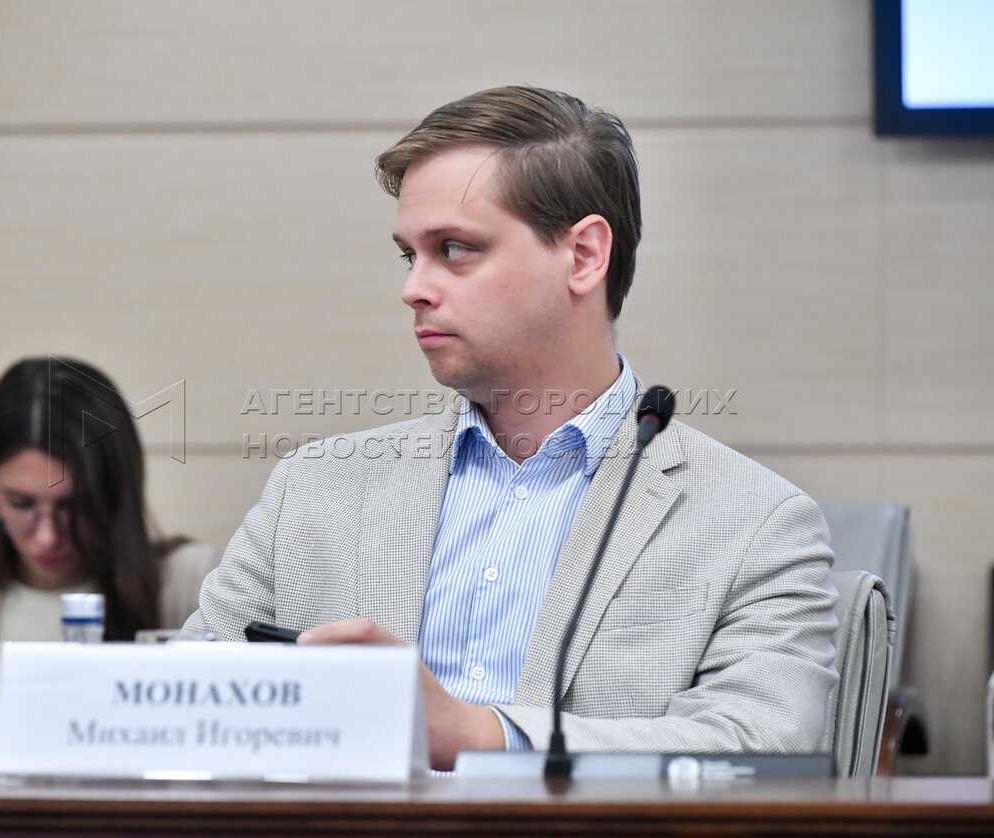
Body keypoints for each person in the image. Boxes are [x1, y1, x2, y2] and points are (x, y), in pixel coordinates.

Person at [183, 86, 838, 771]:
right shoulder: (312, 488)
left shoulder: (758, 522)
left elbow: (758, 749)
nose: (414, 288)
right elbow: (187, 701)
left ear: (583, 255)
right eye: (410, 255)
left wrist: (484, 735)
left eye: (455, 249)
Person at [0, 357, 218, 745]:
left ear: (116, 496)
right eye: (21, 504)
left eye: (73, 507)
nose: (47, 537)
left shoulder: (189, 584)